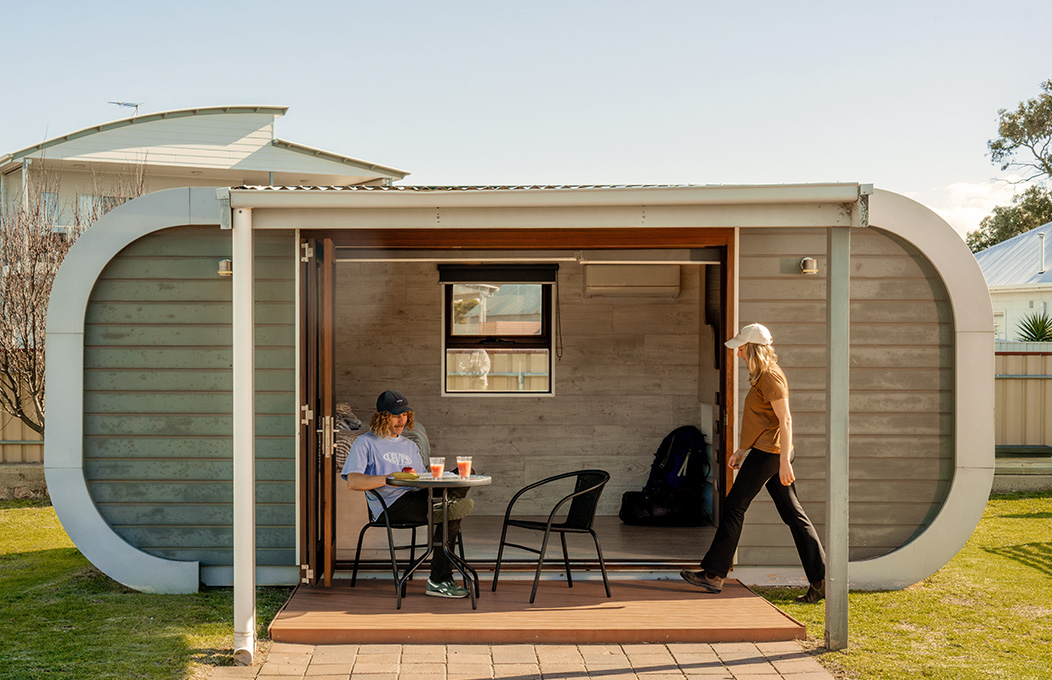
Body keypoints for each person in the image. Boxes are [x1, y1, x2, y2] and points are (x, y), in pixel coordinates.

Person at [681, 323, 827, 603]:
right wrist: (741, 450)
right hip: (765, 452)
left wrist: (784, 461)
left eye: (741, 349)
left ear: (751, 349)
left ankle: (713, 575)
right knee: (793, 515)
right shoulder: (761, 377)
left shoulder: (771, 377)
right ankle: (820, 581)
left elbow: (785, 420)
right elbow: (761, 421)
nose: (738, 354)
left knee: (735, 506)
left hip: (771, 454)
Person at [341, 389, 474, 599]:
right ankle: (439, 579)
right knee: (451, 512)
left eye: (404, 415)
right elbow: (354, 482)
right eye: (395, 415)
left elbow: (419, 481)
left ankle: (447, 507)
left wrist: (438, 478)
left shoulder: (410, 445)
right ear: (382, 417)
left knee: (465, 475)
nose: (401, 420)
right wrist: (390, 478)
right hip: (391, 506)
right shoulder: (365, 442)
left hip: (416, 497)